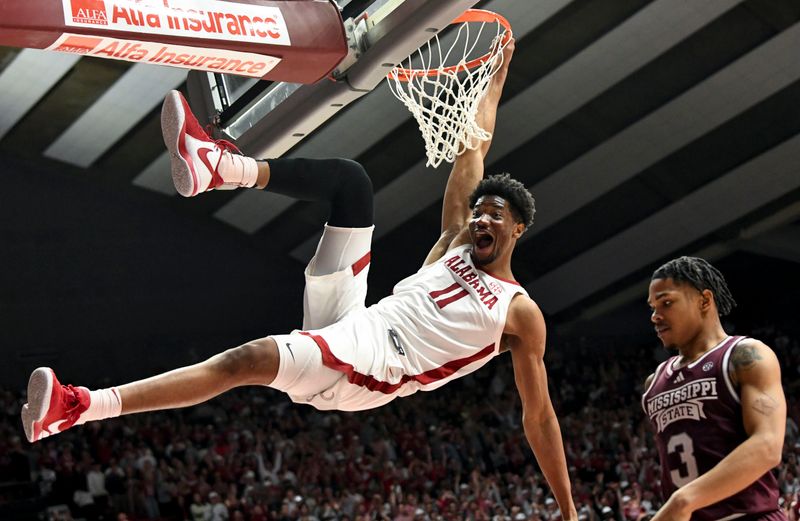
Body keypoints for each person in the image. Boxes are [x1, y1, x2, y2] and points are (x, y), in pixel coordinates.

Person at [20, 41, 577, 519]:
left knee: (246, 361)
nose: (482, 217)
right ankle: (220, 167)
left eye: (496, 214)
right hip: (358, 317)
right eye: (480, 209)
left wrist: (569, 512)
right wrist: (496, 71)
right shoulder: (455, 243)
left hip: (376, 370)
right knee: (352, 185)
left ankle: (78, 406)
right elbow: (474, 143)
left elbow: (539, 415)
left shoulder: (519, 312)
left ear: (518, 229)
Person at [642, 256, 787, 521]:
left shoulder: (745, 356)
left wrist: (683, 501)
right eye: (653, 307)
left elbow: (767, 446)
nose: (655, 316)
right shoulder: (654, 383)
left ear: (705, 301)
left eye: (666, 303)